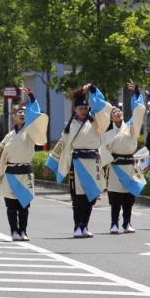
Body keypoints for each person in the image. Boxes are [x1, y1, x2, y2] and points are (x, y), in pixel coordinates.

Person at [47, 84, 112, 238]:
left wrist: (94, 91)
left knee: (91, 196)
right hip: (77, 165)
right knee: (78, 198)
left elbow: (104, 108)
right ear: (75, 110)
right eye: (80, 108)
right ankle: (77, 226)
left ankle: (85, 225)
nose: (83, 111)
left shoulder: (96, 122)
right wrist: (51, 163)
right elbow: (62, 145)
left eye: (85, 108)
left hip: (93, 163)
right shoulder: (70, 127)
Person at [0, 88, 48, 241]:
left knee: (23, 205)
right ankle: (14, 231)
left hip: (24, 172)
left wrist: (31, 97)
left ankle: (23, 231)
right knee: (11, 205)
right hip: (9, 173)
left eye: (25, 112)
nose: (22, 113)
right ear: (14, 117)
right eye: (19, 112)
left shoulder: (32, 131)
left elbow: (36, 116)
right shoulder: (9, 136)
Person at [101, 82, 146, 234]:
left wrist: (136, 93)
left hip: (129, 166)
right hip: (115, 167)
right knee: (115, 198)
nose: (118, 112)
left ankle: (127, 223)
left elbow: (139, 112)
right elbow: (102, 150)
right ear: (110, 117)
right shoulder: (107, 134)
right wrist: (110, 157)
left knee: (128, 197)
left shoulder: (131, 127)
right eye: (114, 111)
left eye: (119, 110)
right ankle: (114, 223)